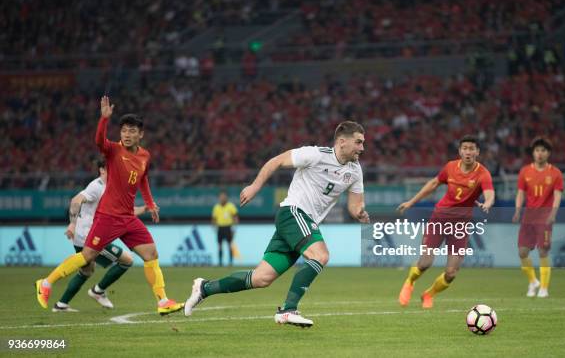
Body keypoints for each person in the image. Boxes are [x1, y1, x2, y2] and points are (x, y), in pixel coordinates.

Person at [184, 121, 370, 327]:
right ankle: (288, 310)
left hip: (301, 223)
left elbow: (355, 206)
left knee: (261, 278)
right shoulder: (315, 155)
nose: (362, 148)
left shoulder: (355, 171)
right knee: (321, 255)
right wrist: (255, 186)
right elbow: (276, 161)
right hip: (293, 212)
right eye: (358, 142)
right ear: (342, 142)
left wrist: (359, 212)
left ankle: (204, 288)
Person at [35, 96, 183, 315]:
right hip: (107, 217)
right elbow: (98, 141)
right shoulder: (113, 150)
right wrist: (104, 120)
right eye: (123, 130)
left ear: (140, 134)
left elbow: (143, 179)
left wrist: (150, 203)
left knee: (151, 254)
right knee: (87, 257)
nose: (127, 134)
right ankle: (46, 283)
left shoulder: (144, 156)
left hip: (127, 218)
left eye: (132, 130)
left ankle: (163, 301)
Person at [397, 135, 495, 308]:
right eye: (465, 148)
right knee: (425, 263)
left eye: (472, 148)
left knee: (451, 272)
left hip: (460, 226)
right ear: (460, 151)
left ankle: (428, 294)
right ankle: (409, 281)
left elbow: (489, 193)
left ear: (477, 152)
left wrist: (487, 203)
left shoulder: (483, 174)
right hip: (440, 218)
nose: (468, 152)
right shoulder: (450, 167)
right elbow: (433, 183)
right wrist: (411, 202)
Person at [53, 158, 146, 312]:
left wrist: (144, 208)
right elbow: (76, 200)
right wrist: (72, 223)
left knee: (86, 271)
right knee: (127, 260)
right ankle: (98, 291)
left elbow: (125, 212)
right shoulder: (97, 186)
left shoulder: (112, 187)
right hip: (91, 236)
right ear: (102, 170)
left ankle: (61, 305)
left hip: (87, 235)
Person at [513, 137, 563, 298]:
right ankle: (533, 281)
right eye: (537, 150)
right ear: (533, 153)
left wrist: (553, 214)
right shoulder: (525, 171)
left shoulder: (555, 173)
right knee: (522, 252)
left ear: (548, 153)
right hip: (528, 216)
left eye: (543, 150)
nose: (539, 153)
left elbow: (557, 195)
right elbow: (520, 193)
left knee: (543, 251)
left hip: (545, 216)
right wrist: (517, 210)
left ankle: (543, 288)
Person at [212, 190, 239, 266]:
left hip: (228, 227)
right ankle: (220, 262)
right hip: (220, 227)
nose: (222, 198)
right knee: (219, 245)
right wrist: (214, 227)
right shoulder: (216, 207)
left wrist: (234, 228)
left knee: (229, 245)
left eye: (224, 196)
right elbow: (214, 219)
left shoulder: (231, 206)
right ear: (219, 198)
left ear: (226, 197)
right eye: (221, 197)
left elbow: (235, 217)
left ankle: (230, 262)